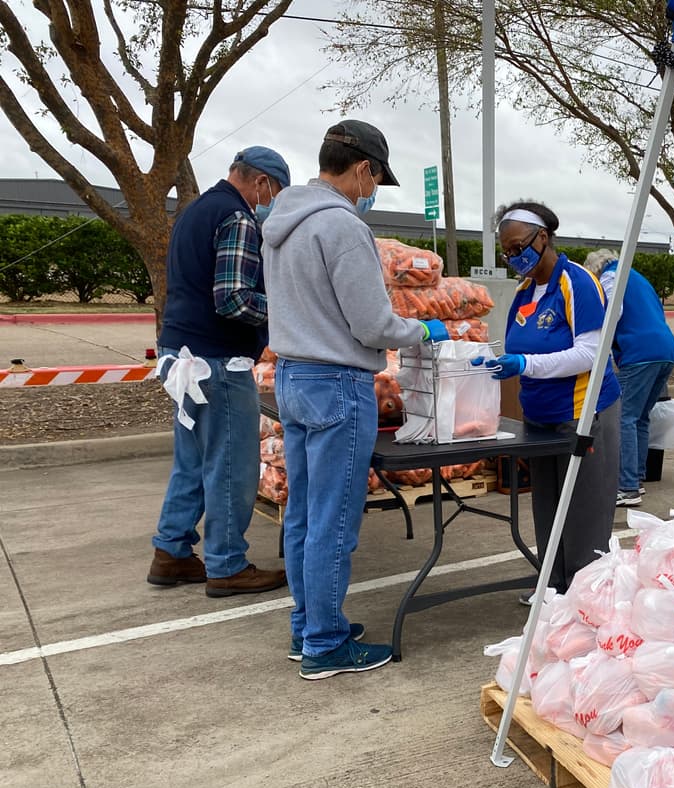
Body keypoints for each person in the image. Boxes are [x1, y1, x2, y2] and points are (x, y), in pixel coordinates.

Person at [261, 119, 452, 680]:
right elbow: (371, 324)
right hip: (337, 384)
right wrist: (424, 333)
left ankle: (308, 626)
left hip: (293, 379)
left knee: (301, 514)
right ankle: (325, 644)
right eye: (375, 181)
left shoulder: (282, 222)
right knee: (335, 521)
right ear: (365, 169)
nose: (372, 193)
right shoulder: (342, 228)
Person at [148, 146, 292, 598]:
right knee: (232, 466)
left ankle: (170, 552)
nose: (272, 201)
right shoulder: (237, 218)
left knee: (192, 460)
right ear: (262, 182)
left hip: (183, 356)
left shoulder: (196, 211)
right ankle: (227, 565)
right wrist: (286, 311)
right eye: (276, 191)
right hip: (217, 364)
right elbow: (233, 298)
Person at [476, 201, 621, 602]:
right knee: (548, 505)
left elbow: (591, 353)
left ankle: (585, 596)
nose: (513, 256)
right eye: (507, 251)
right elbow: (521, 345)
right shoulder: (525, 291)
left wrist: (526, 363)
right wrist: (496, 361)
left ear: (544, 237)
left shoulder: (577, 283)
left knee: (585, 511)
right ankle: (552, 586)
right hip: (540, 418)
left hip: (582, 414)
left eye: (518, 245)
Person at [582, 249, 674, 508]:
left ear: (595, 269)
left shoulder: (610, 278)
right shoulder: (638, 277)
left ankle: (627, 487)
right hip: (666, 350)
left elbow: (612, 313)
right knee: (640, 418)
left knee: (624, 417)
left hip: (639, 353)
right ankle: (636, 477)